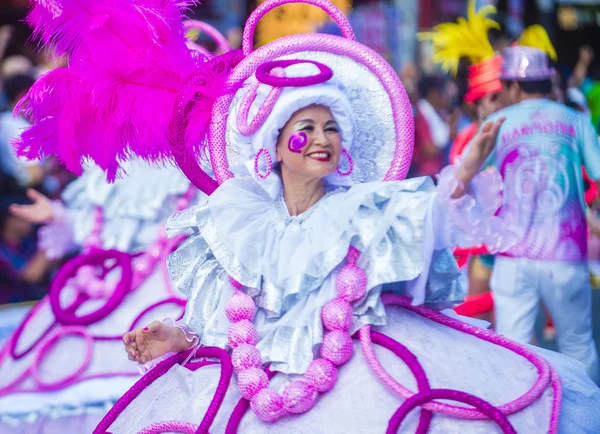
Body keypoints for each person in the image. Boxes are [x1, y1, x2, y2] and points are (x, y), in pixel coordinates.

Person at [16, 0, 600, 432]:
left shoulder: (363, 207)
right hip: (256, 397)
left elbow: (433, 220)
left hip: (357, 388)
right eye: (305, 129)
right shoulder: (239, 223)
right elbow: (237, 323)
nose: (321, 140)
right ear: (272, 145)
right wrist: (179, 337)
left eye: (330, 128)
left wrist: (465, 171)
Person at [483, 45, 600, 383]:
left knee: (512, 349)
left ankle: (517, 421)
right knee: (577, 344)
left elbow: (468, 179)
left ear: (513, 86)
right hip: (565, 255)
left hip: (512, 256)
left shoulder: (495, 123)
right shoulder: (576, 120)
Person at [0, 74, 49, 189]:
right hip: (22, 195)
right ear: (22, 96)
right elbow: (34, 173)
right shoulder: (16, 126)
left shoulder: (9, 121)